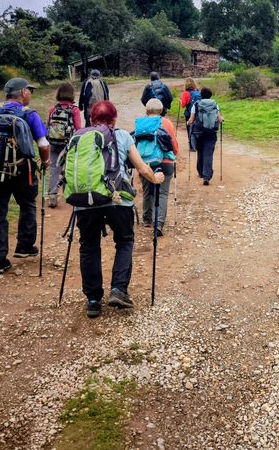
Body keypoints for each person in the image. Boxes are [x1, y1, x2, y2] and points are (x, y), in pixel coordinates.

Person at [75, 100, 164, 318]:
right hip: (117, 199)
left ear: (92, 119)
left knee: (89, 246)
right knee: (124, 241)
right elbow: (142, 168)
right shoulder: (122, 136)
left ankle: (93, 299)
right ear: (114, 119)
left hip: (85, 201)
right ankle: (118, 289)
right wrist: (156, 178)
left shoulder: (77, 136)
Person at [0, 77, 50, 275]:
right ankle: (24, 246)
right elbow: (43, 144)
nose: (30, 93)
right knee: (28, 204)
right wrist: (45, 161)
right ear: (22, 93)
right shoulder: (28, 114)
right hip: (22, 169)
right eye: (29, 90)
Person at [134, 98, 180, 236]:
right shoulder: (166, 123)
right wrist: (174, 155)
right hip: (165, 162)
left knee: (148, 190)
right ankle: (158, 224)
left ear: (147, 110)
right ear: (161, 110)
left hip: (146, 162)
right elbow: (173, 145)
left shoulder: (141, 123)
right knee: (163, 193)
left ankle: (147, 219)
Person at [45, 83, 83, 208]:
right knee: (69, 169)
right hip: (69, 144)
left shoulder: (53, 109)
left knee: (54, 169)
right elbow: (78, 129)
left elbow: (47, 127)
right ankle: (69, 194)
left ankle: (52, 195)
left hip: (54, 143)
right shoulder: (74, 110)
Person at [188, 87, 223, 186]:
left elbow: (191, 119)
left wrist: (189, 122)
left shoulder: (196, 104)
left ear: (201, 95)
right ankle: (207, 176)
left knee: (200, 151)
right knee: (208, 153)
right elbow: (219, 118)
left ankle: (200, 172)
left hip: (199, 132)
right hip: (211, 132)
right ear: (210, 95)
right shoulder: (215, 104)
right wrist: (222, 119)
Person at [179, 77, 201, 151]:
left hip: (189, 114)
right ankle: (199, 145)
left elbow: (183, 105)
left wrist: (180, 101)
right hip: (199, 113)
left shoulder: (186, 93)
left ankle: (192, 146)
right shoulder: (198, 92)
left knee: (190, 129)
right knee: (199, 128)